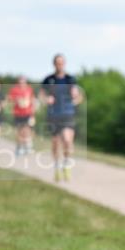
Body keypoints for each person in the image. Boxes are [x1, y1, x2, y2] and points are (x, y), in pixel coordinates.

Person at [41, 54, 82, 182]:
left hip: (67, 114)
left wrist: (75, 99)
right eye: (57, 63)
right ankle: (56, 167)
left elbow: (79, 95)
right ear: (54, 64)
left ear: (64, 64)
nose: (60, 65)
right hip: (53, 115)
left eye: (62, 62)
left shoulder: (71, 79)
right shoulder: (49, 79)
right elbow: (41, 95)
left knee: (67, 140)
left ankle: (67, 164)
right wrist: (46, 99)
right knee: (55, 143)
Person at [8, 76, 36, 155]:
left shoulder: (29, 89)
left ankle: (26, 146)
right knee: (19, 131)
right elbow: (10, 99)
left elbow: (32, 101)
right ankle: (19, 147)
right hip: (18, 113)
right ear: (18, 82)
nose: (22, 84)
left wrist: (33, 114)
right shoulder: (14, 89)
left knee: (26, 130)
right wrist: (16, 100)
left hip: (27, 113)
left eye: (23, 82)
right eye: (20, 82)